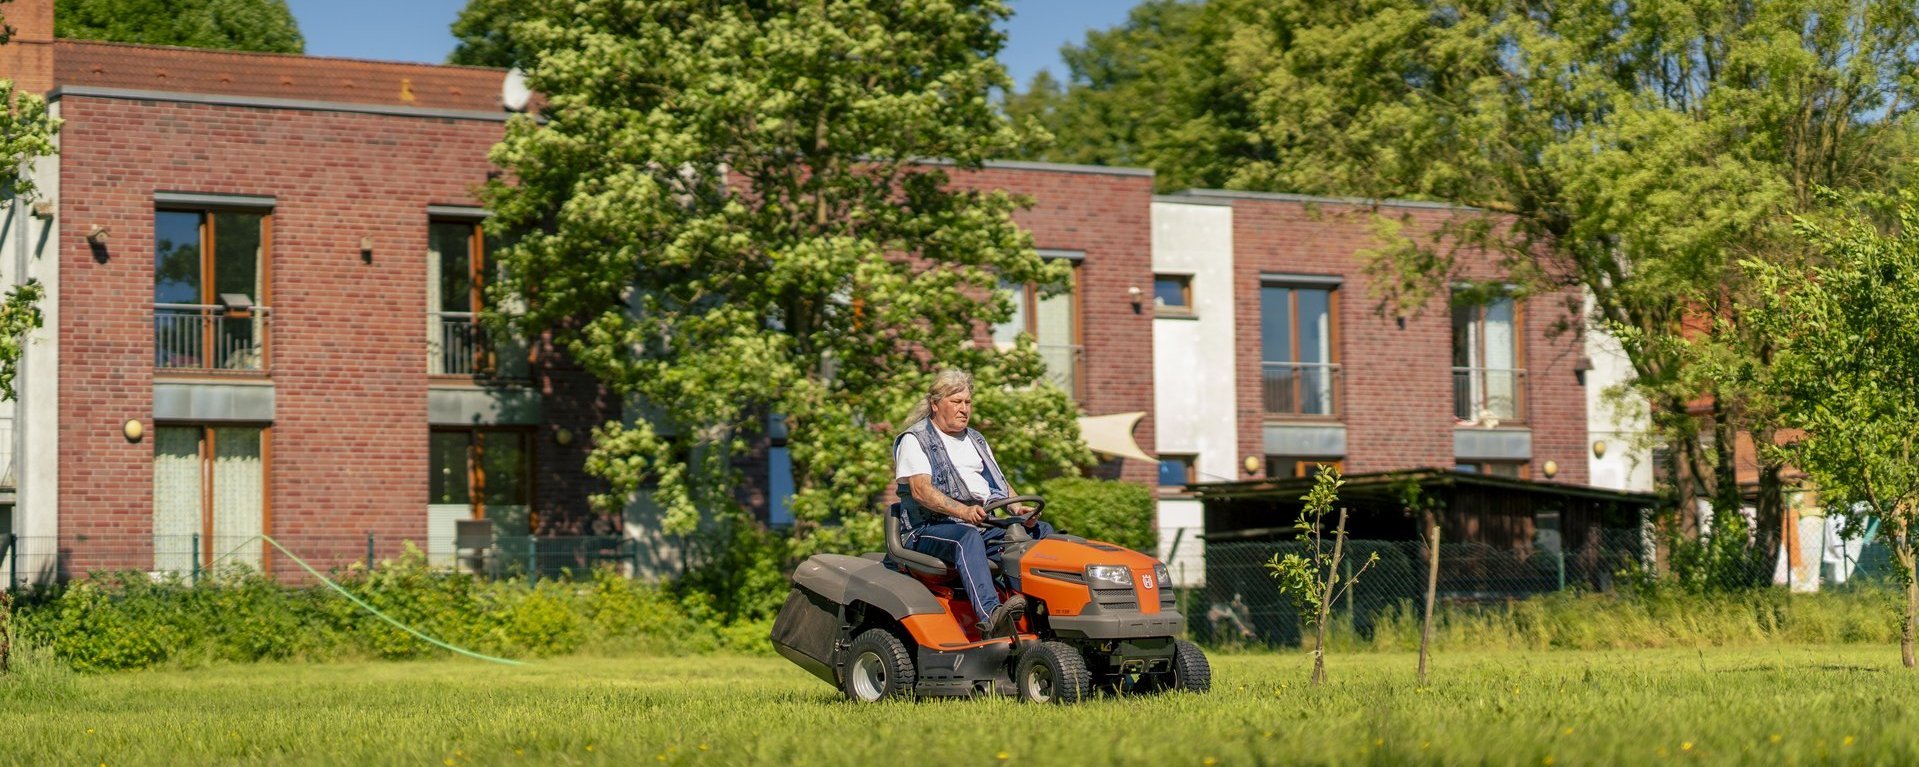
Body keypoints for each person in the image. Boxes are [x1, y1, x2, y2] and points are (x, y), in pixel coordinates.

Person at [893, 369, 1056, 639]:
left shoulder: (976, 439)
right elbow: (921, 491)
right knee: (966, 538)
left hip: (979, 523)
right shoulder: (915, 439)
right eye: (956, 402)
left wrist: (1016, 510)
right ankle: (992, 616)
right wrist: (963, 511)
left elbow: (998, 483)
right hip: (929, 529)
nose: (963, 409)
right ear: (935, 404)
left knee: (1042, 534)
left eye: (967, 402)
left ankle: (1040, 614)